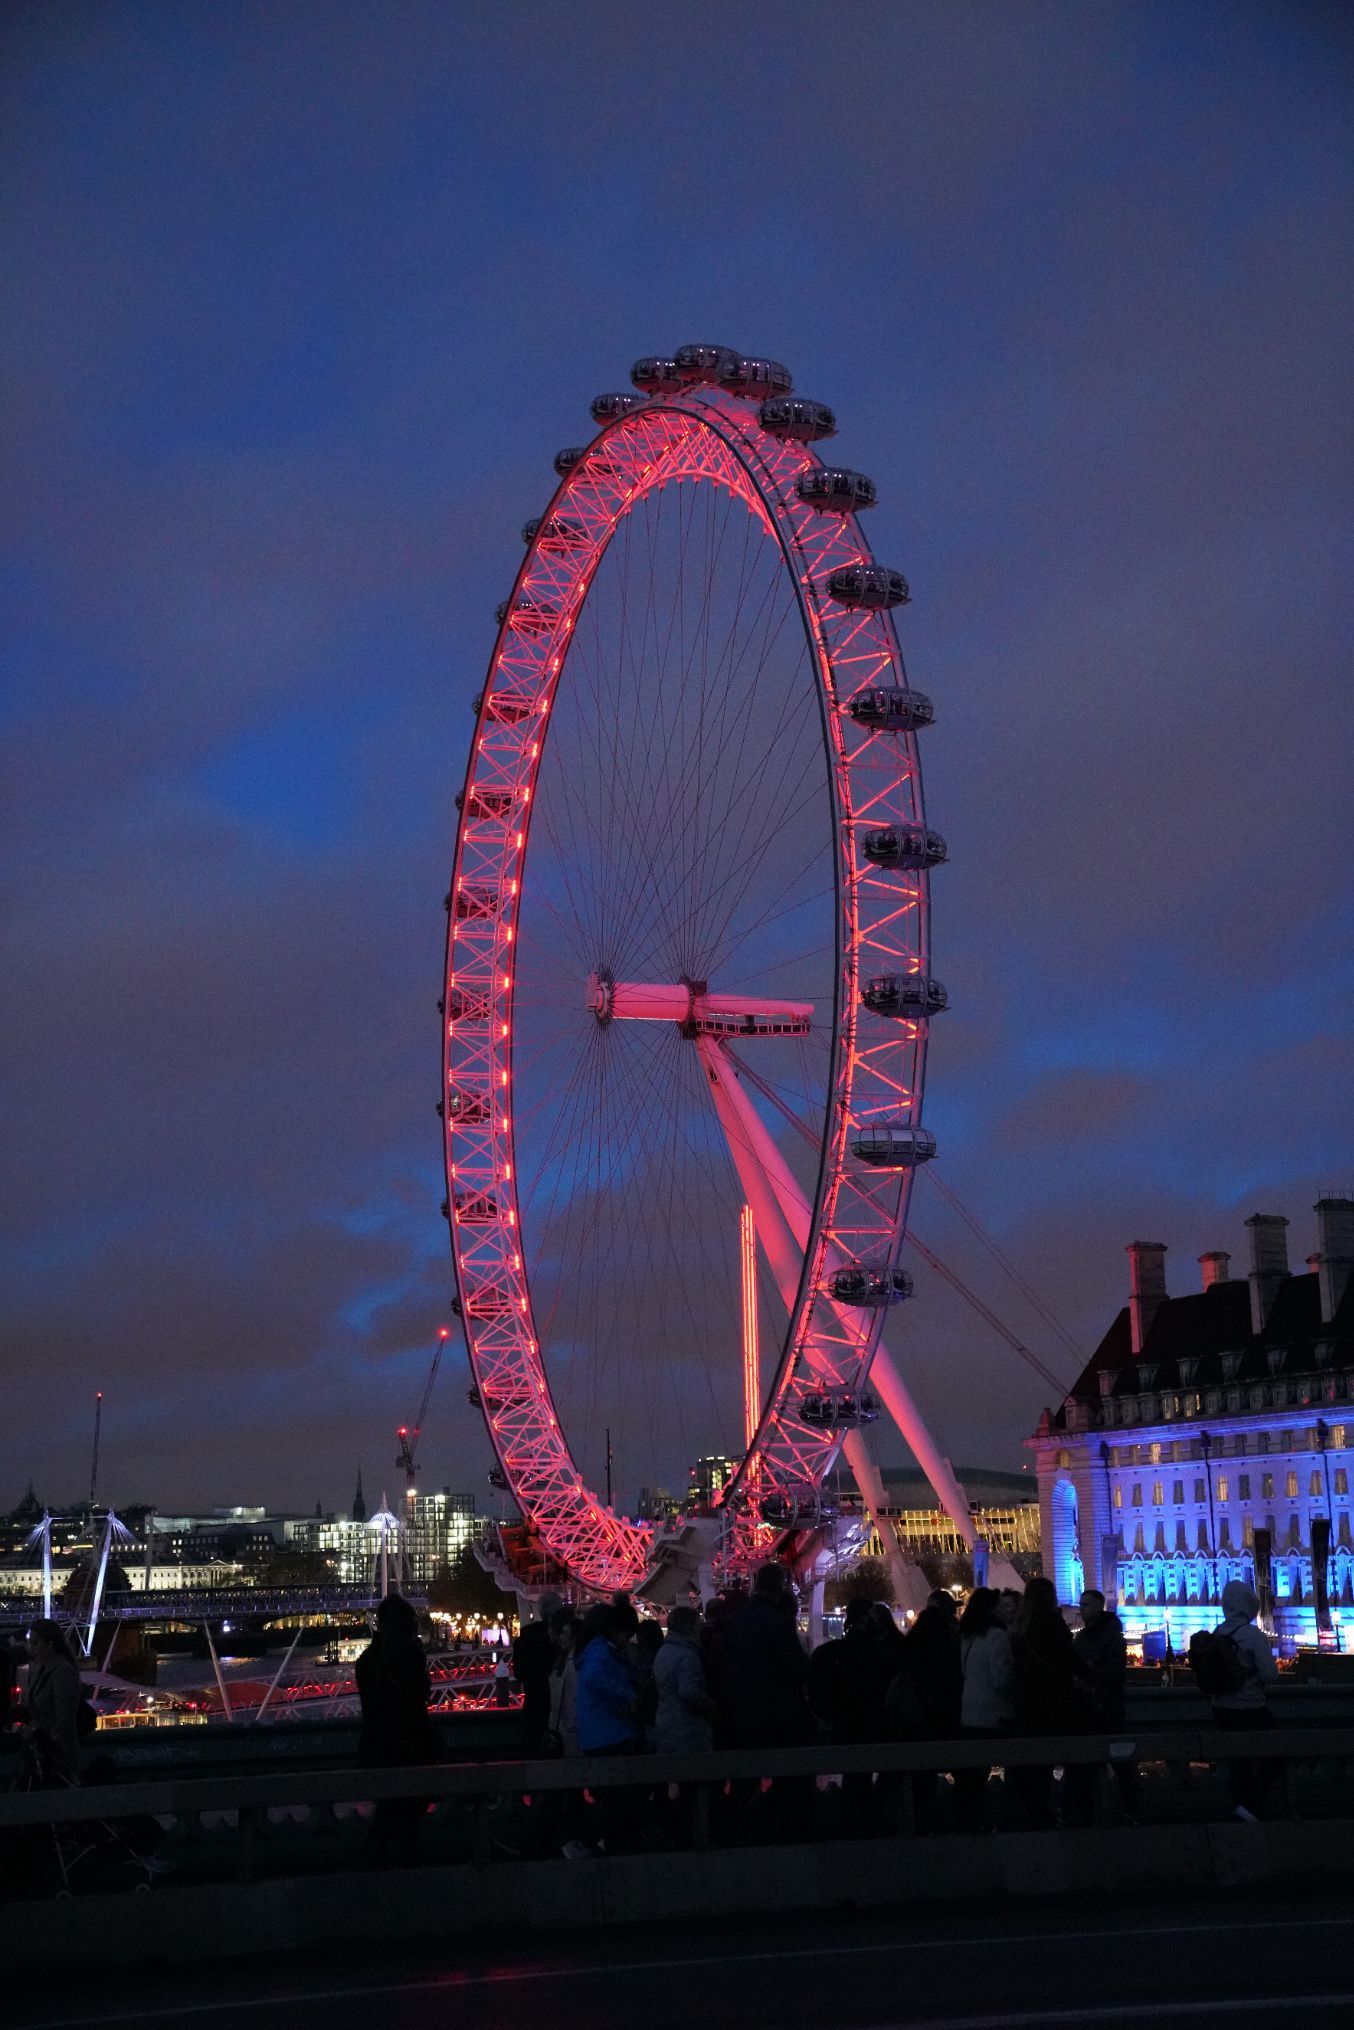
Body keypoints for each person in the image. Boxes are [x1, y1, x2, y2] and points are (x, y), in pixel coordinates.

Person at [721, 1562, 814, 1840]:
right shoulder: (777, 1622)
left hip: (741, 1713)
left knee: (744, 1780)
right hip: (777, 1714)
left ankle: (732, 1833)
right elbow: (797, 1668)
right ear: (781, 1587)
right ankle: (777, 1830)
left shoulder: (736, 1621)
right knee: (792, 1776)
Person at [355, 1594, 437, 1865]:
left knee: (390, 1808)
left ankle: (379, 1863)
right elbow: (421, 1695)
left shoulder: (367, 1660)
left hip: (378, 1746)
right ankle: (403, 1868)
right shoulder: (408, 1658)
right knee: (408, 1817)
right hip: (411, 1745)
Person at [1011, 1576, 1098, 1828]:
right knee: (1074, 1760)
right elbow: (1066, 1658)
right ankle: (1077, 1815)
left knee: (1036, 1767)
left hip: (1027, 1707)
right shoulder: (1051, 1622)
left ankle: (1036, 1816)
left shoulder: (1021, 1627)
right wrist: (1089, 1674)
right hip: (1055, 1703)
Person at [886, 1600, 963, 1833]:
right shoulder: (947, 1654)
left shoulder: (908, 1652)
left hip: (913, 1724)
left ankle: (918, 1826)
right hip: (942, 1723)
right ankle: (955, 1822)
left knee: (919, 1781)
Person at [1209, 1579, 1280, 1821]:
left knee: (1238, 1761)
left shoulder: (1217, 1633)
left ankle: (1238, 1806)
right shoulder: (1253, 1636)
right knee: (1278, 1752)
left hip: (1221, 1709)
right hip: (1250, 1707)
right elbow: (1271, 1675)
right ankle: (1250, 1805)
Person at [1074, 1588, 1138, 1819]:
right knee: (1090, 1761)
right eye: (1081, 1604)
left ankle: (1130, 1809)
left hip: (1106, 1705)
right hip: (1089, 1705)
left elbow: (1114, 1673)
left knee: (1119, 1760)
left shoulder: (1110, 1637)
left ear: (1099, 1607)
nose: (1081, 1609)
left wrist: (1087, 1671)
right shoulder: (1084, 1636)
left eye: (1086, 1605)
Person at [954, 1587, 1014, 1831]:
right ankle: (1002, 1818)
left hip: (970, 1711)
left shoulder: (968, 1636)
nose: (1004, 1609)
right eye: (1000, 1605)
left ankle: (966, 1821)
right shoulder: (997, 1636)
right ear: (991, 1608)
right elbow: (1002, 1679)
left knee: (973, 1772)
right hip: (994, 1713)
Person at [22, 1621, 83, 1786]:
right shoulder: (42, 1670)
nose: (30, 1648)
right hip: (43, 1754)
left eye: (35, 1643)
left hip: (56, 1758)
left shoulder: (62, 1671)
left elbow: (65, 1721)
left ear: (49, 1645)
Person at [512, 1591, 562, 1753]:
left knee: (532, 1743)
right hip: (559, 1701)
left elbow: (519, 1673)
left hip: (534, 1698)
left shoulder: (525, 1638)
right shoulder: (563, 1639)